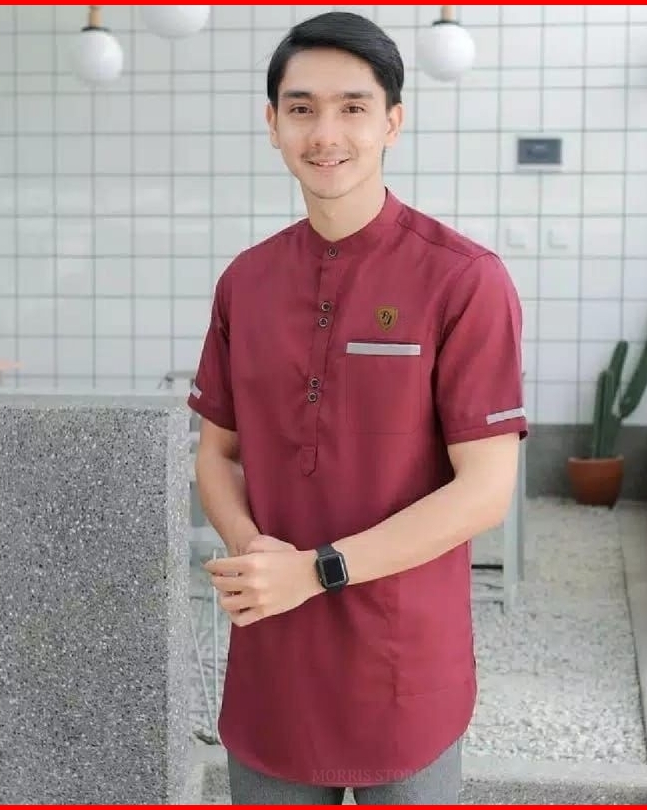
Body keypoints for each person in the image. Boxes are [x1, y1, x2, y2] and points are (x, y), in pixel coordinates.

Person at [188, 10, 527, 806]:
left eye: (352, 107)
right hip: (273, 659)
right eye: (302, 108)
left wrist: (317, 571)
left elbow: (485, 491)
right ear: (272, 125)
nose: (326, 133)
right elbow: (217, 454)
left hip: (403, 663)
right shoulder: (245, 282)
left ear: (392, 123)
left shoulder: (464, 280)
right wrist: (252, 552)